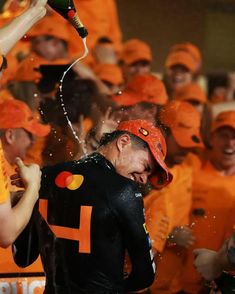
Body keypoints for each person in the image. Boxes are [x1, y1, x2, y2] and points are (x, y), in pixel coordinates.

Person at [13, 119, 172, 293]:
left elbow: (23, 257)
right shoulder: (124, 191)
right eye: (146, 167)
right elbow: (145, 276)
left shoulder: (46, 176)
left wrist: (20, 199)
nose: (144, 179)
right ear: (123, 142)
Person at [144, 100, 204, 293]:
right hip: (138, 284)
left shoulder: (191, 164)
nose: (186, 148)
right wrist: (168, 236)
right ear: (162, 131)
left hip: (174, 285)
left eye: (190, 140)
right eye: (180, 140)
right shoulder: (140, 168)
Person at [181, 110, 235, 293]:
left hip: (227, 285)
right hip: (187, 283)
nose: (230, 143)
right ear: (211, 139)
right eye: (223, 136)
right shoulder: (191, 169)